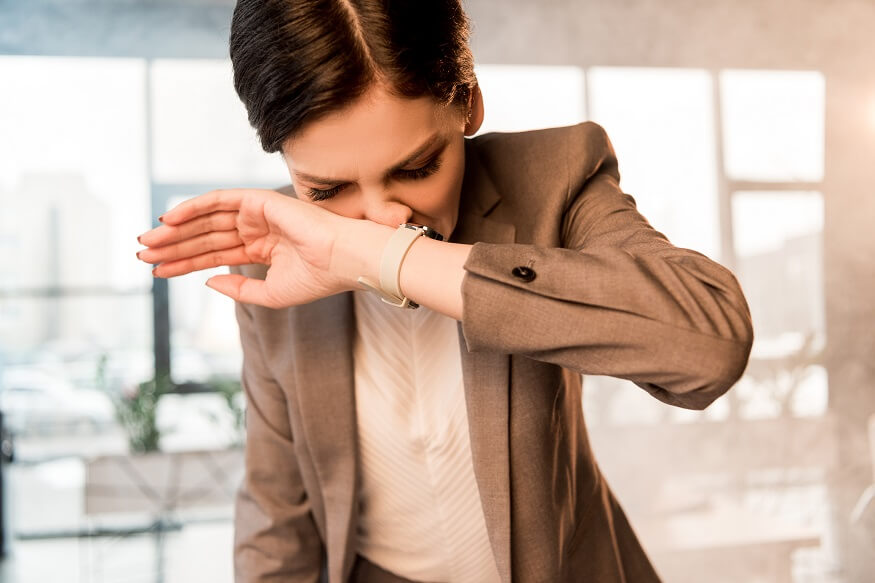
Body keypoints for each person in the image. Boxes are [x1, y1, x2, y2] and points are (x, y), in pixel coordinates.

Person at [136, 1, 754, 581]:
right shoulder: (268, 255)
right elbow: (278, 518)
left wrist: (389, 259)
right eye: (325, 192)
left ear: (469, 105)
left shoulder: (557, 177)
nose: (379, 218)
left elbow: (709, 346)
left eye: (416, 168)